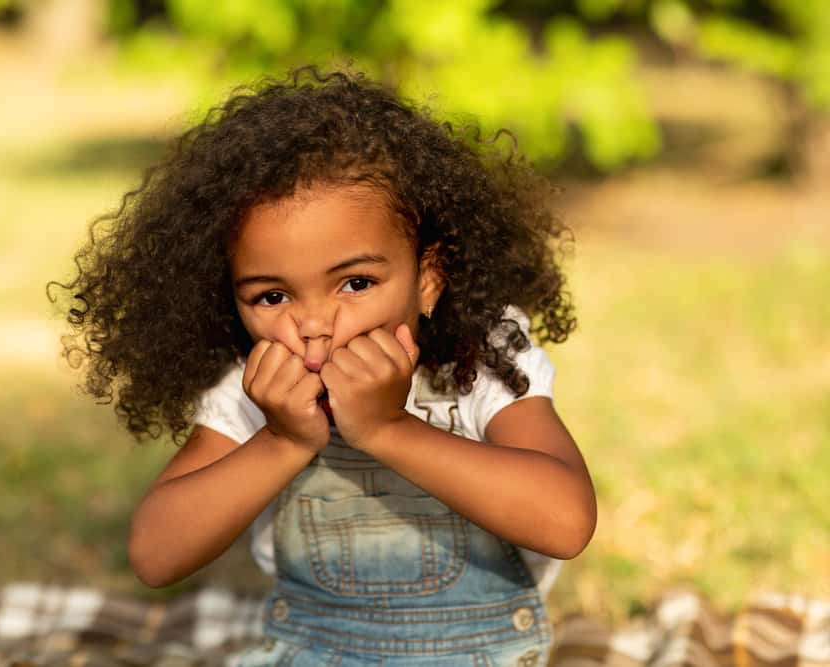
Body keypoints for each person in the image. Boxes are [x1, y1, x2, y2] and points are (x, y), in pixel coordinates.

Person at [48, 64, 596, 666]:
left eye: (355, 283)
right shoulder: (254, 386)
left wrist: (390, 429)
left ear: (429, 277)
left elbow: (565, 521)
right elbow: (156, 555)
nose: (313, 322)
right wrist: (282, 441)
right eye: (272, 297)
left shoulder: (477, 363)